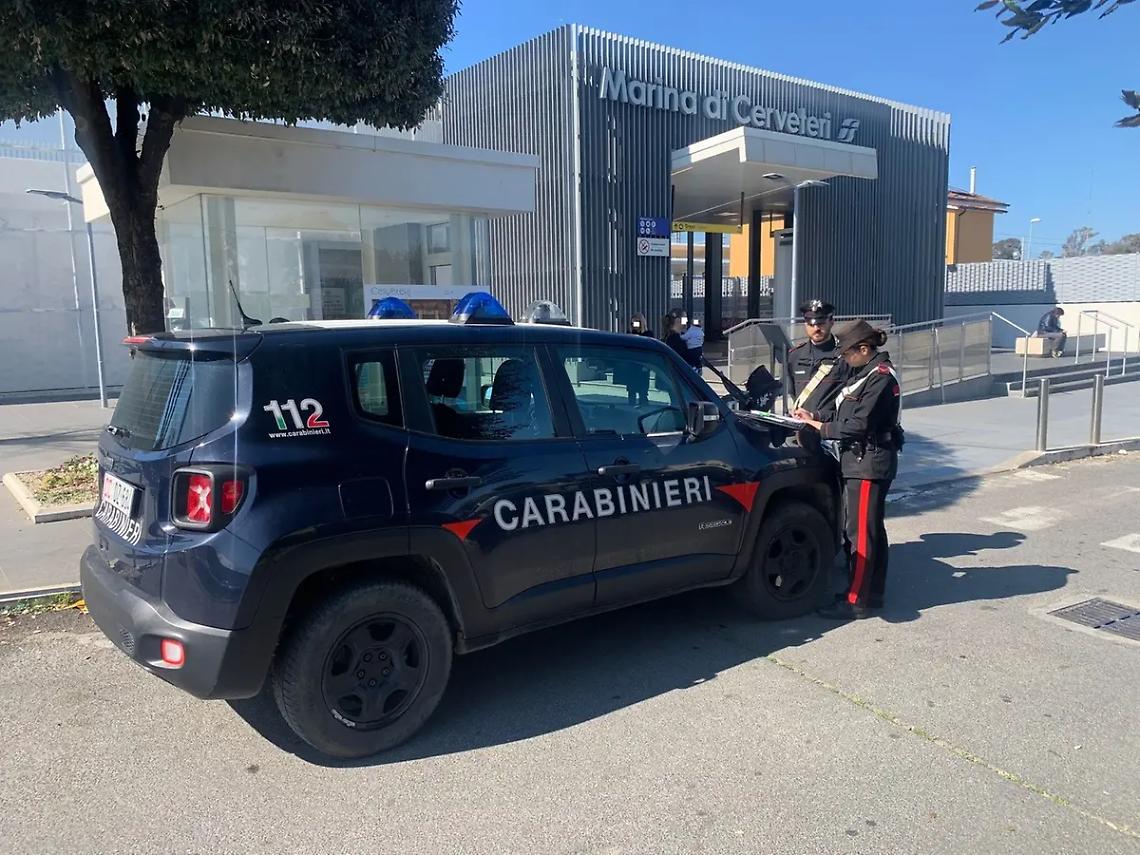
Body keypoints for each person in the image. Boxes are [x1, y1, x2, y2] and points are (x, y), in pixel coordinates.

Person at [793, 319, 902, 620]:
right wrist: (813, 413)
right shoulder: (864, 372)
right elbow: (845, 409)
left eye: (848, 353)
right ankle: (872, 593)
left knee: (860, 535)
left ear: (864, 349)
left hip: (868, 462)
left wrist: (819, 426)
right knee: (870, 530)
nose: (843, 358)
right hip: (860, 461)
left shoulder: (880, 377)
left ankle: (856, 601)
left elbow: (857, 425)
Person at [783, 299, 848, 419]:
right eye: (811, 325)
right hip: (803, 428)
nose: (816, 329)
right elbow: (793, 392)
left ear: (831, 321)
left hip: (833, 428)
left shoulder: (845, 354)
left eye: (821, 324)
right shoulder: (795, 356)